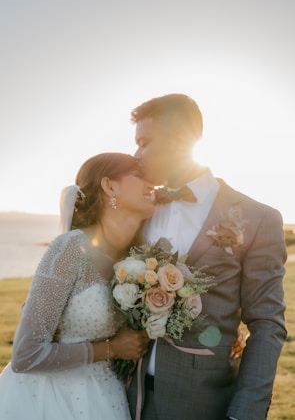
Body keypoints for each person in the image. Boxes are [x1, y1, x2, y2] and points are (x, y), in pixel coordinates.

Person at [127, 94, 287, 420]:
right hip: (125, 398)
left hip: (203, 404)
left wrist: (244, 414)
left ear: (180, 139)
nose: (136, 155)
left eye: (144, 143)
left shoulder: (258, 219)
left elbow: (267, 324)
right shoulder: (136, 210)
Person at [0, 152, 154, 420]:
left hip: (107, 396)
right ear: (109, 186)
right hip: (48, 400)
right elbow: (26, 355)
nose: (152, 183)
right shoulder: (71, 248)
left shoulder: (142, 260)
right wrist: (113, 349)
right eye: (140, 176)